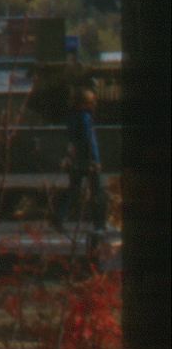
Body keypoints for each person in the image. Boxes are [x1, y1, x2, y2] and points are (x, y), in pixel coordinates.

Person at [63, 82, 107, 235]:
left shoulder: (71, 117)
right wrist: (95, 160)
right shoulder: (85, 117)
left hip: (77, 159)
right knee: (97, 192)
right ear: (84, 103)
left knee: (73, 188)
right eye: (91, 102)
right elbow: (90, 140)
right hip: (88, 160)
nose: (93, 104)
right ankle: (99, 225)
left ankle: (59, 217)